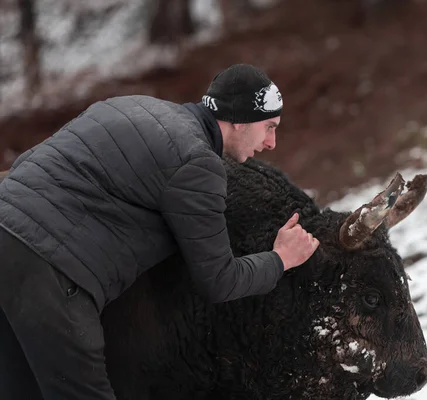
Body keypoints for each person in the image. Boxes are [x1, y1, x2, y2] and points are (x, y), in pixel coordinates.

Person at [0, 63, 320, 399]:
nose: (271, 142)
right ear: (239, 119)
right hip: (50, 269)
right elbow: (219, 280)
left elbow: (29, 164)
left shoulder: (132, 105)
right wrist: (280, 258)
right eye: (268, 127)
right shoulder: (198, 163)